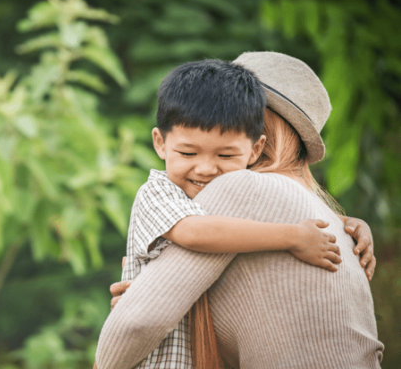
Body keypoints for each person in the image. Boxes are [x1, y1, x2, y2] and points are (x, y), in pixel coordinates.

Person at [95, 52, 383, 369]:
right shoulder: (318, 215)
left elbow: (138, 322)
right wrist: (152, 288)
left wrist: (143, 302)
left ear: (259, 135)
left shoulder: (241, 188)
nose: (206, 167)